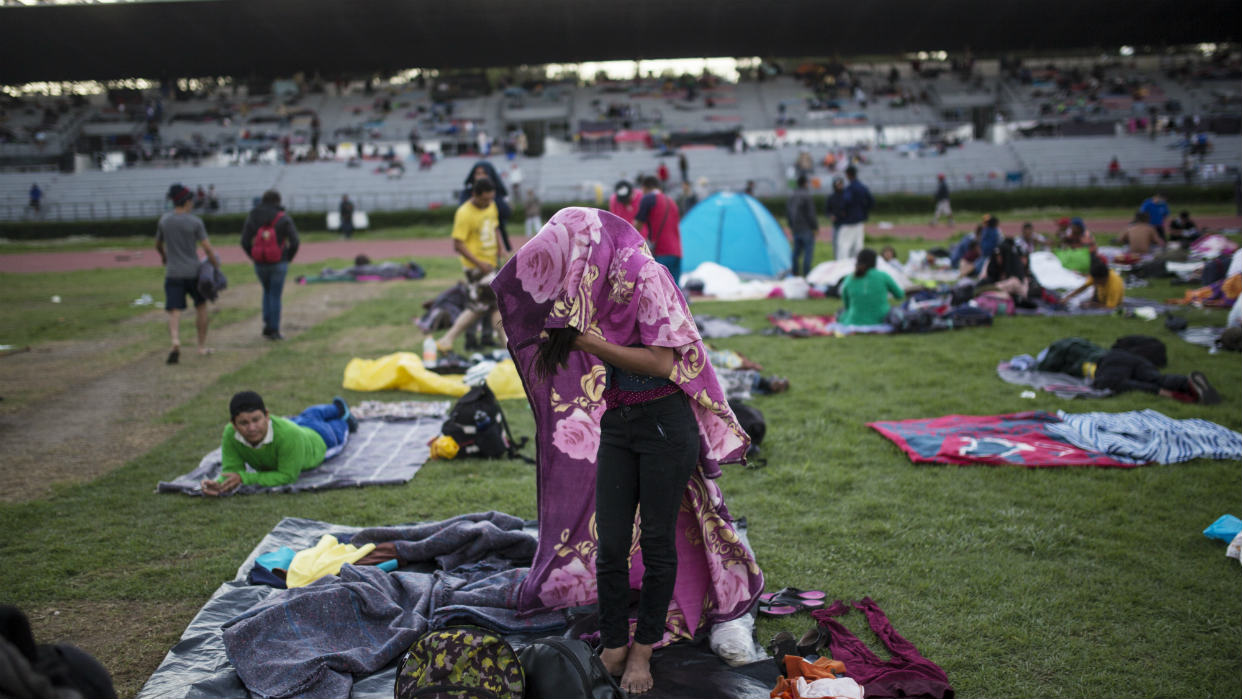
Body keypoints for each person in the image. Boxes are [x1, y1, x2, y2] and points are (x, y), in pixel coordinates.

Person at [495, 207, 761, 695]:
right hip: (619, 420)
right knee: (612, 542)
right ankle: (615, 642)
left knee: (658, 544)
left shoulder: (646, 273)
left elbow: (662, 362)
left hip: (664, 424)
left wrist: (590, 343)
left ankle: (643, 651)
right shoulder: (589, 279)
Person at [201, 391, 357, 496]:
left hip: (321, 438)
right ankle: (336, 408)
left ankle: (340, 411)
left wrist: (244, 478)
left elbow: (287, 476)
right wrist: (218, 483)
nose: (252, 428)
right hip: (296, 426)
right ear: (234, 424)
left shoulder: (288, 435)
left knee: (337, 423)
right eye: (244, 423)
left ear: (267, 415)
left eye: (256, 420)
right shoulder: (230, 433)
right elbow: (232, 471)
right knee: (308, 415)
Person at [435, 178, 506, 353]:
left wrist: (500, 248)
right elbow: (458, 244)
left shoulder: (491, 205)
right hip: (476, 268)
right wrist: (479, 263)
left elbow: (495, 227)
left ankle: (506, 344)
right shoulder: (464, 213)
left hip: (490, 264)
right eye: (484, 200)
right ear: (474, 195)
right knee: (488, 304)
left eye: (491, 199)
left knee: (489, 306)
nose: (488, 203)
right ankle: (447, 339)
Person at [156, 184, 221, 364]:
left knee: (174, 310)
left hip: (173, 272)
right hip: (193, 271)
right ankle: (201, 347)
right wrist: (215, 265)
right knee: (200, 306)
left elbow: (158, 244)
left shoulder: (164, 221)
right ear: (187, 202)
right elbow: (207, 248)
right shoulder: (195, 222)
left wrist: (164, 257)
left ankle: (175, 341)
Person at [241, 190, 300, 340]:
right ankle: (274, 329)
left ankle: (267, 324)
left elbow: (244, 241)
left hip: (260, 263)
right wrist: (287, 257)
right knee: (275, 294)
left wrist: (254, 256)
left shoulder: (253, 216)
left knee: (266, 291)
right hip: (278, 261)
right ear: (278, 201)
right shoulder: (283, 218)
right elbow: (295, 241)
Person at [633, 175, 684, 283]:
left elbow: (637, 225)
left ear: (645, 188)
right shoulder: (671, 202)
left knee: (660, 291)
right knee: (675, 293)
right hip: (677, 252)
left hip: (661, 251)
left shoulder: (648, 199)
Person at [838, 248, 904, 326]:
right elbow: (900, 295)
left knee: (840, 312)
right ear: (875, 261)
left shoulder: (849, 278)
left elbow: (847, 305)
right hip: (881, 319)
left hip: (854, 320)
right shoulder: (883, 276)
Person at [835, 165, 874, 261]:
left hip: (848, 222)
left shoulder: (850, 189)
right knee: (858, 247)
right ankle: (858, 266)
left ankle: (842, 268)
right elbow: (871, 201)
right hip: (859, 221)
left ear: (848, 175)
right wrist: (864, 213)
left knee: (843, 246)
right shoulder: (862, 187)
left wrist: (842, 212)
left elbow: (845, 202)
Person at [786, 174, 819, 277]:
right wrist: (815, 227)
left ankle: (795, 272)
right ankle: (807, 274)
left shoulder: (792, 196)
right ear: (805, 183)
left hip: (796, 229)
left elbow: (788, 213)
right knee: (807, 253)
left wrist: (791, 226)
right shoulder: (807, 196)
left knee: (796, 253)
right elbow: (811, 213)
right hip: (806, 228)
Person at [825, 176, 847, 258]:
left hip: (846, 224)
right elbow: (827, 210)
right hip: (836, 224)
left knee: (845, 244)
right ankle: (837, 259)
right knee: (836, 243)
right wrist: (830, 216)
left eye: (840, 184)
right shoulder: (831, 197)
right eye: (837, 184)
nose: (839, 186)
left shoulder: (846, 195)